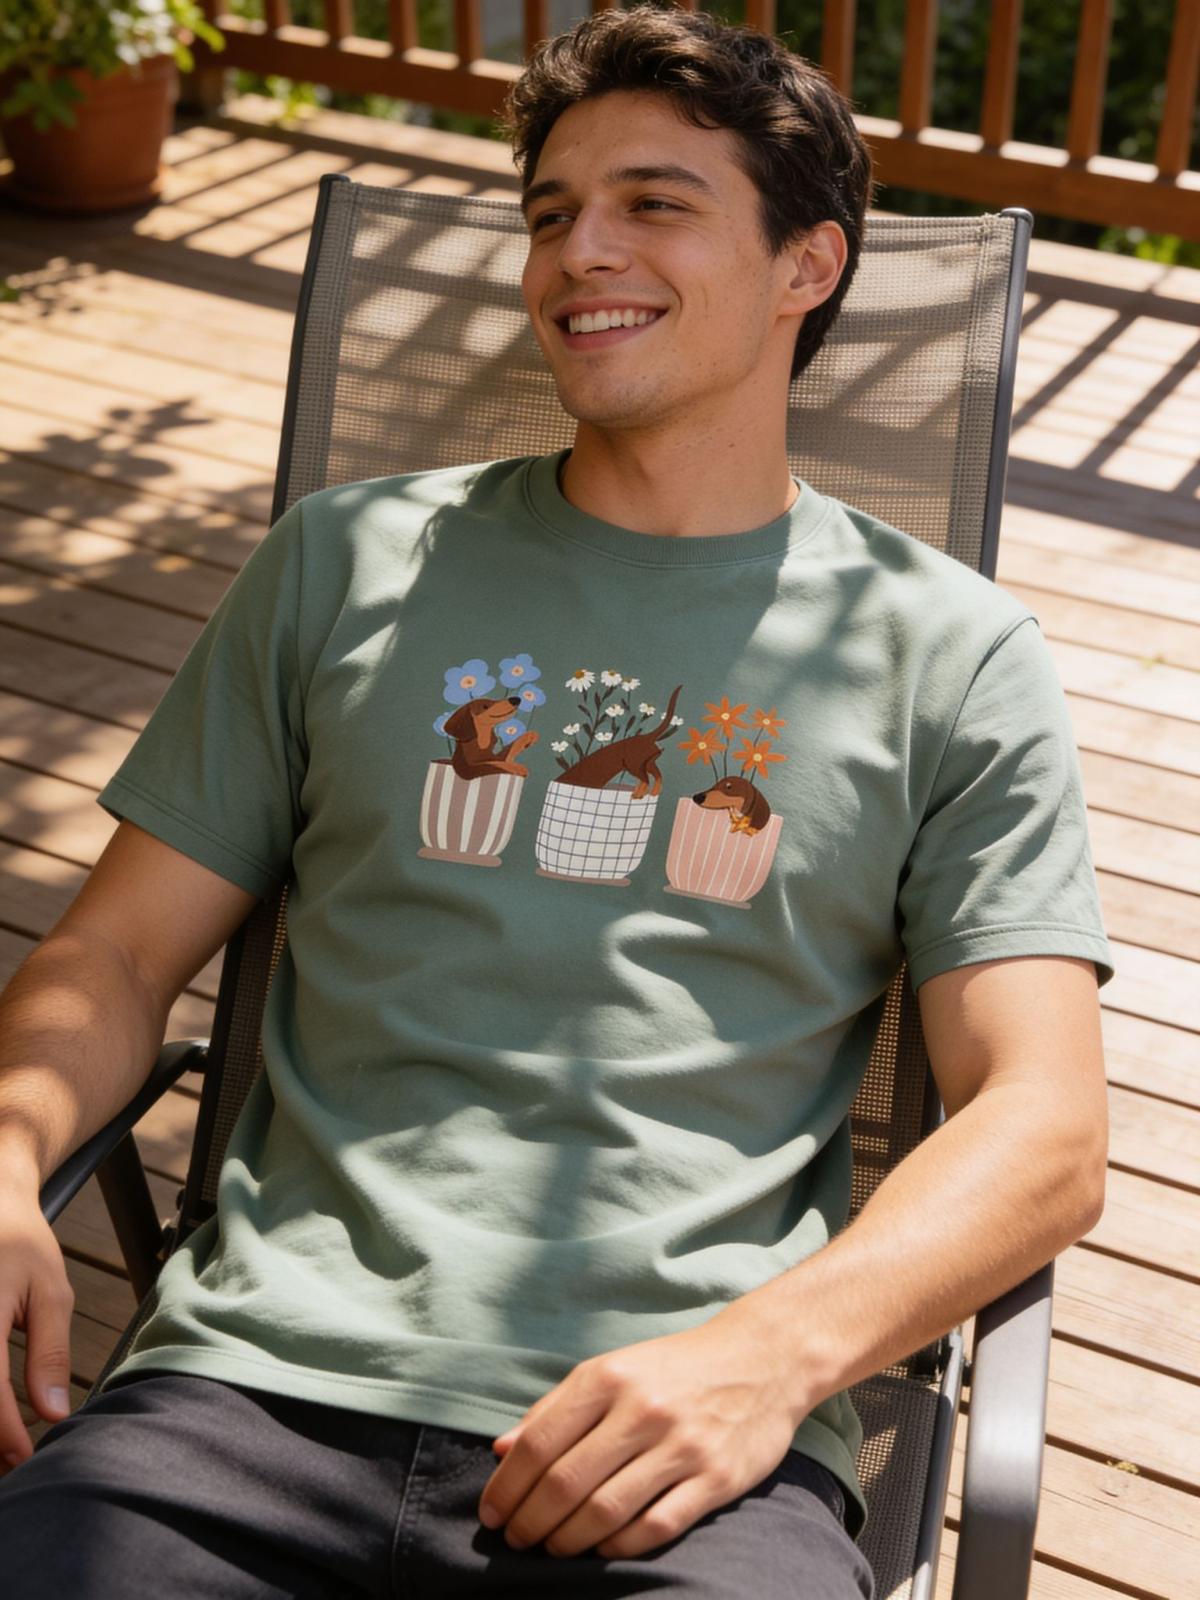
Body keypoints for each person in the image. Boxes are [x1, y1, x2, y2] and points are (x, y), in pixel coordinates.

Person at [0, 6, 1112, 1597]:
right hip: (244, 1396)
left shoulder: (951, 655)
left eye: (655, 204)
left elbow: (1044, 1124)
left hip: (690, 1454)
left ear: (808, 266)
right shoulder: (342, 562)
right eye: (549, 213)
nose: (579, 252)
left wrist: (768, 1360)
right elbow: (110, 956)